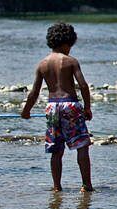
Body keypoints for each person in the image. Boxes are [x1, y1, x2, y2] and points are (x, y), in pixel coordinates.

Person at [20, 23, 94, 192]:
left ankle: (56, 186)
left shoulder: (42, 65)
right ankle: (86, 185)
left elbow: (34, 93)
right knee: (82, 145)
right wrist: (87, 107)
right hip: (70, 104)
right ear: (67, 43)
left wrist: (26, 111)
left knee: (56, 149)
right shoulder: (70, 61)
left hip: (52, 106)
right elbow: (83, 86)